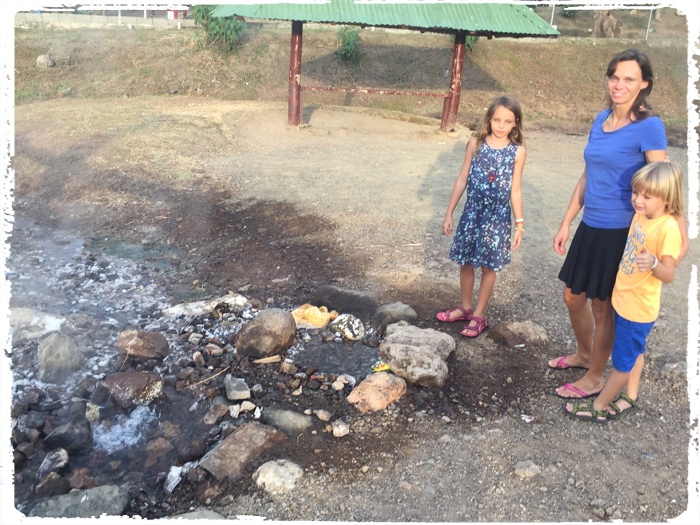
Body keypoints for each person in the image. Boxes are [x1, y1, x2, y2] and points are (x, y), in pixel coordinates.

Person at [549, 48, 689, 400]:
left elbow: (665, 181)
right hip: (590, 225)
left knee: (602, 306)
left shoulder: (649, 127)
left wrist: (681, 235)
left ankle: (596, 376)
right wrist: (567, 221)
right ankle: (584, 354)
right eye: (615, 77)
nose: (619, 84)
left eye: (629, 79)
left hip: (620, 230)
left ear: (644, 84)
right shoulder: (600, 120)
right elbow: (588, 174)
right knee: (572, 297)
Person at [562, 161, 683, 422]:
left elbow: (670, 274)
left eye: (646, 196)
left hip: (637, 309)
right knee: (635, 351)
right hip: (623, 299)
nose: (637, 200)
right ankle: (630, 396)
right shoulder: (642, 215)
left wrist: (653, 263)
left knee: (622, 363)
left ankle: (599, 406)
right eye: (636, 193)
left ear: (667, 198)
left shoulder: (667, 228)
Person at [436, 95, 527, 337]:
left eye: (507, 121)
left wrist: (519, 224)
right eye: (497, 119)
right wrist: (449, 213)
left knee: (489, 266)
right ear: (489, 119)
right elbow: (462, 179)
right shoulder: (475, 144)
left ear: (515, 123)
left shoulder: (517, 152)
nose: (501, 125)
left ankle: (479, 314)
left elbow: (515, 189)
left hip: (497, 217)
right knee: (465, 260)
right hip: (472, 212)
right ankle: (465, 307)